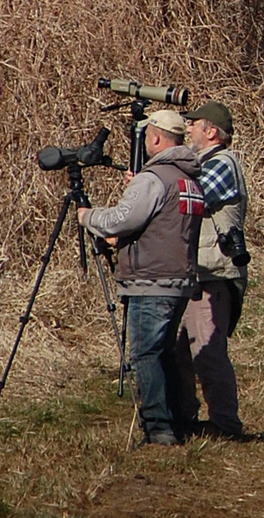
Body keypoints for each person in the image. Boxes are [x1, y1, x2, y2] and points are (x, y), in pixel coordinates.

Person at [78, 109, 204, 447]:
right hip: (180, 279)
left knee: (146, 354)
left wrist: (87, 216)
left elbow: (122, 220)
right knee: (163, 353)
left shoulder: (154, 178)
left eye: (147, 134)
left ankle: (158, 428)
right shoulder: (189, 180)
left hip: (151, 280)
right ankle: (176, 421)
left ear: (157, 138)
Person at [173, 100, 248, 439]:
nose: (188, 128)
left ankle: (225, 425)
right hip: (197, 273)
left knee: (208, 353)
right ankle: (185, 419)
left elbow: (191, 200)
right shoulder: (202, 163)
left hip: (213, 274)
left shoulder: (222, 164)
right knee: (182, 353)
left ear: (212, 132)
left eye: (194, 123)